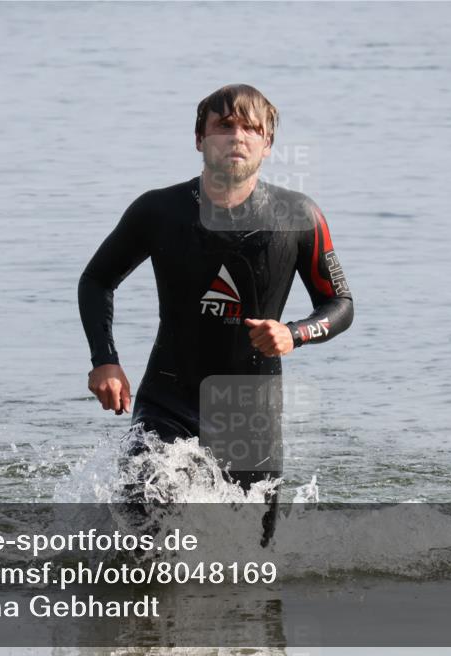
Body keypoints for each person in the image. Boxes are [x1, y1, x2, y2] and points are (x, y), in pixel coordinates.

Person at [78, 84, 353, 542]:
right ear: (199, 138)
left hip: (250, 414)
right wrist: (103, 359)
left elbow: (341, 305)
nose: (237, 137)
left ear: (267, 144)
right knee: (140, 532)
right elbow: (96, 280)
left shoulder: (298, 215)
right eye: (224, 126)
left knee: (253, 555)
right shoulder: (158, 210)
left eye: (251, 128)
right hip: (168, 399)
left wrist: (294, 334)